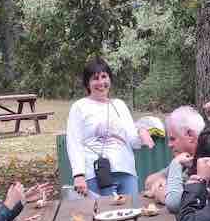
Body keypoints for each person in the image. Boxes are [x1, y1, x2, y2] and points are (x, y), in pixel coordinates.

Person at [65, 58, 153, 198]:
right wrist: (79, 175)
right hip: (96, 175)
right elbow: (74, 142)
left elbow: (133, 142)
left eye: (104, 77)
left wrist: (142, 133)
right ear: (87, 83)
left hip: (126, 172)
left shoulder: (119, 105)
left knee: (131, 214)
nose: (101, 83)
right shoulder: (79, 107)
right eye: (95, 78)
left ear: (110, 79)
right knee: (103, 216)